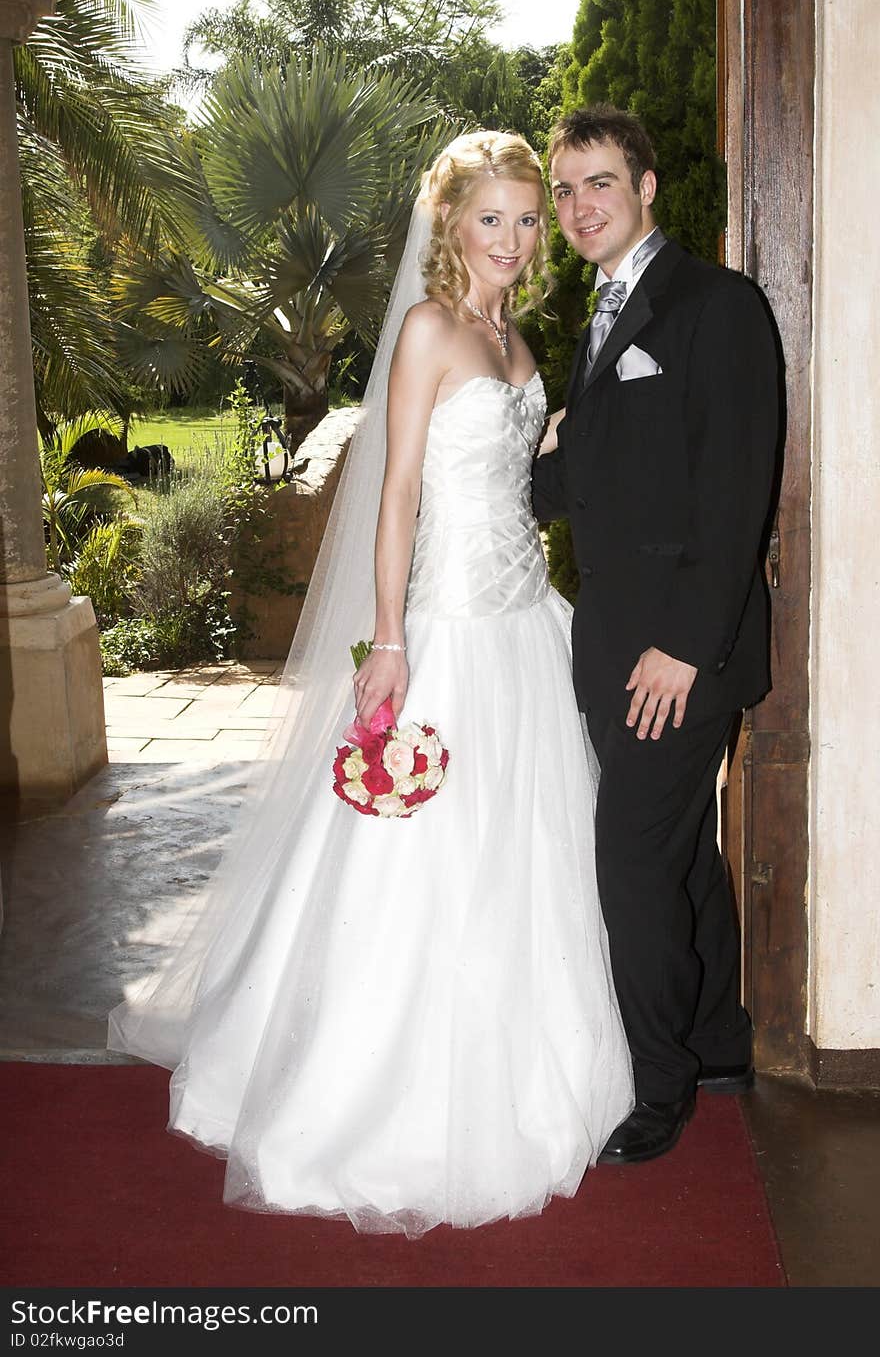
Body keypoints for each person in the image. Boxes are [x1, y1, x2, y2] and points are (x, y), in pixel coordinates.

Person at [108, 131, 633, 1237]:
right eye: (492, 218)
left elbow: (508, 466)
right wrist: (388, 640)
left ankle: (531, 1067)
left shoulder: (513, 333)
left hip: (524, 624)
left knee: (527, 847)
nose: (515, 238)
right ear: (449, 224)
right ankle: (367, 1094)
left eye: (528, 219)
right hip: (443, 625)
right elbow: (396, 491)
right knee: (419, 857)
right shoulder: (430, 329)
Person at [532, 104, 780, 1165]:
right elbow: (578, 491)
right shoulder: (593, 319)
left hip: (682, 653)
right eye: (566, 190)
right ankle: (717, 1039)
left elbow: (734, 493)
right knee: (676, 856)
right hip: (614, 645)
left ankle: (656, 1083)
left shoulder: (716, 305)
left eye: (599, 183)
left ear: (645, 189)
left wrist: (683, 645)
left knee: (629, 859)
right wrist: (542, 445)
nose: (580, 206)